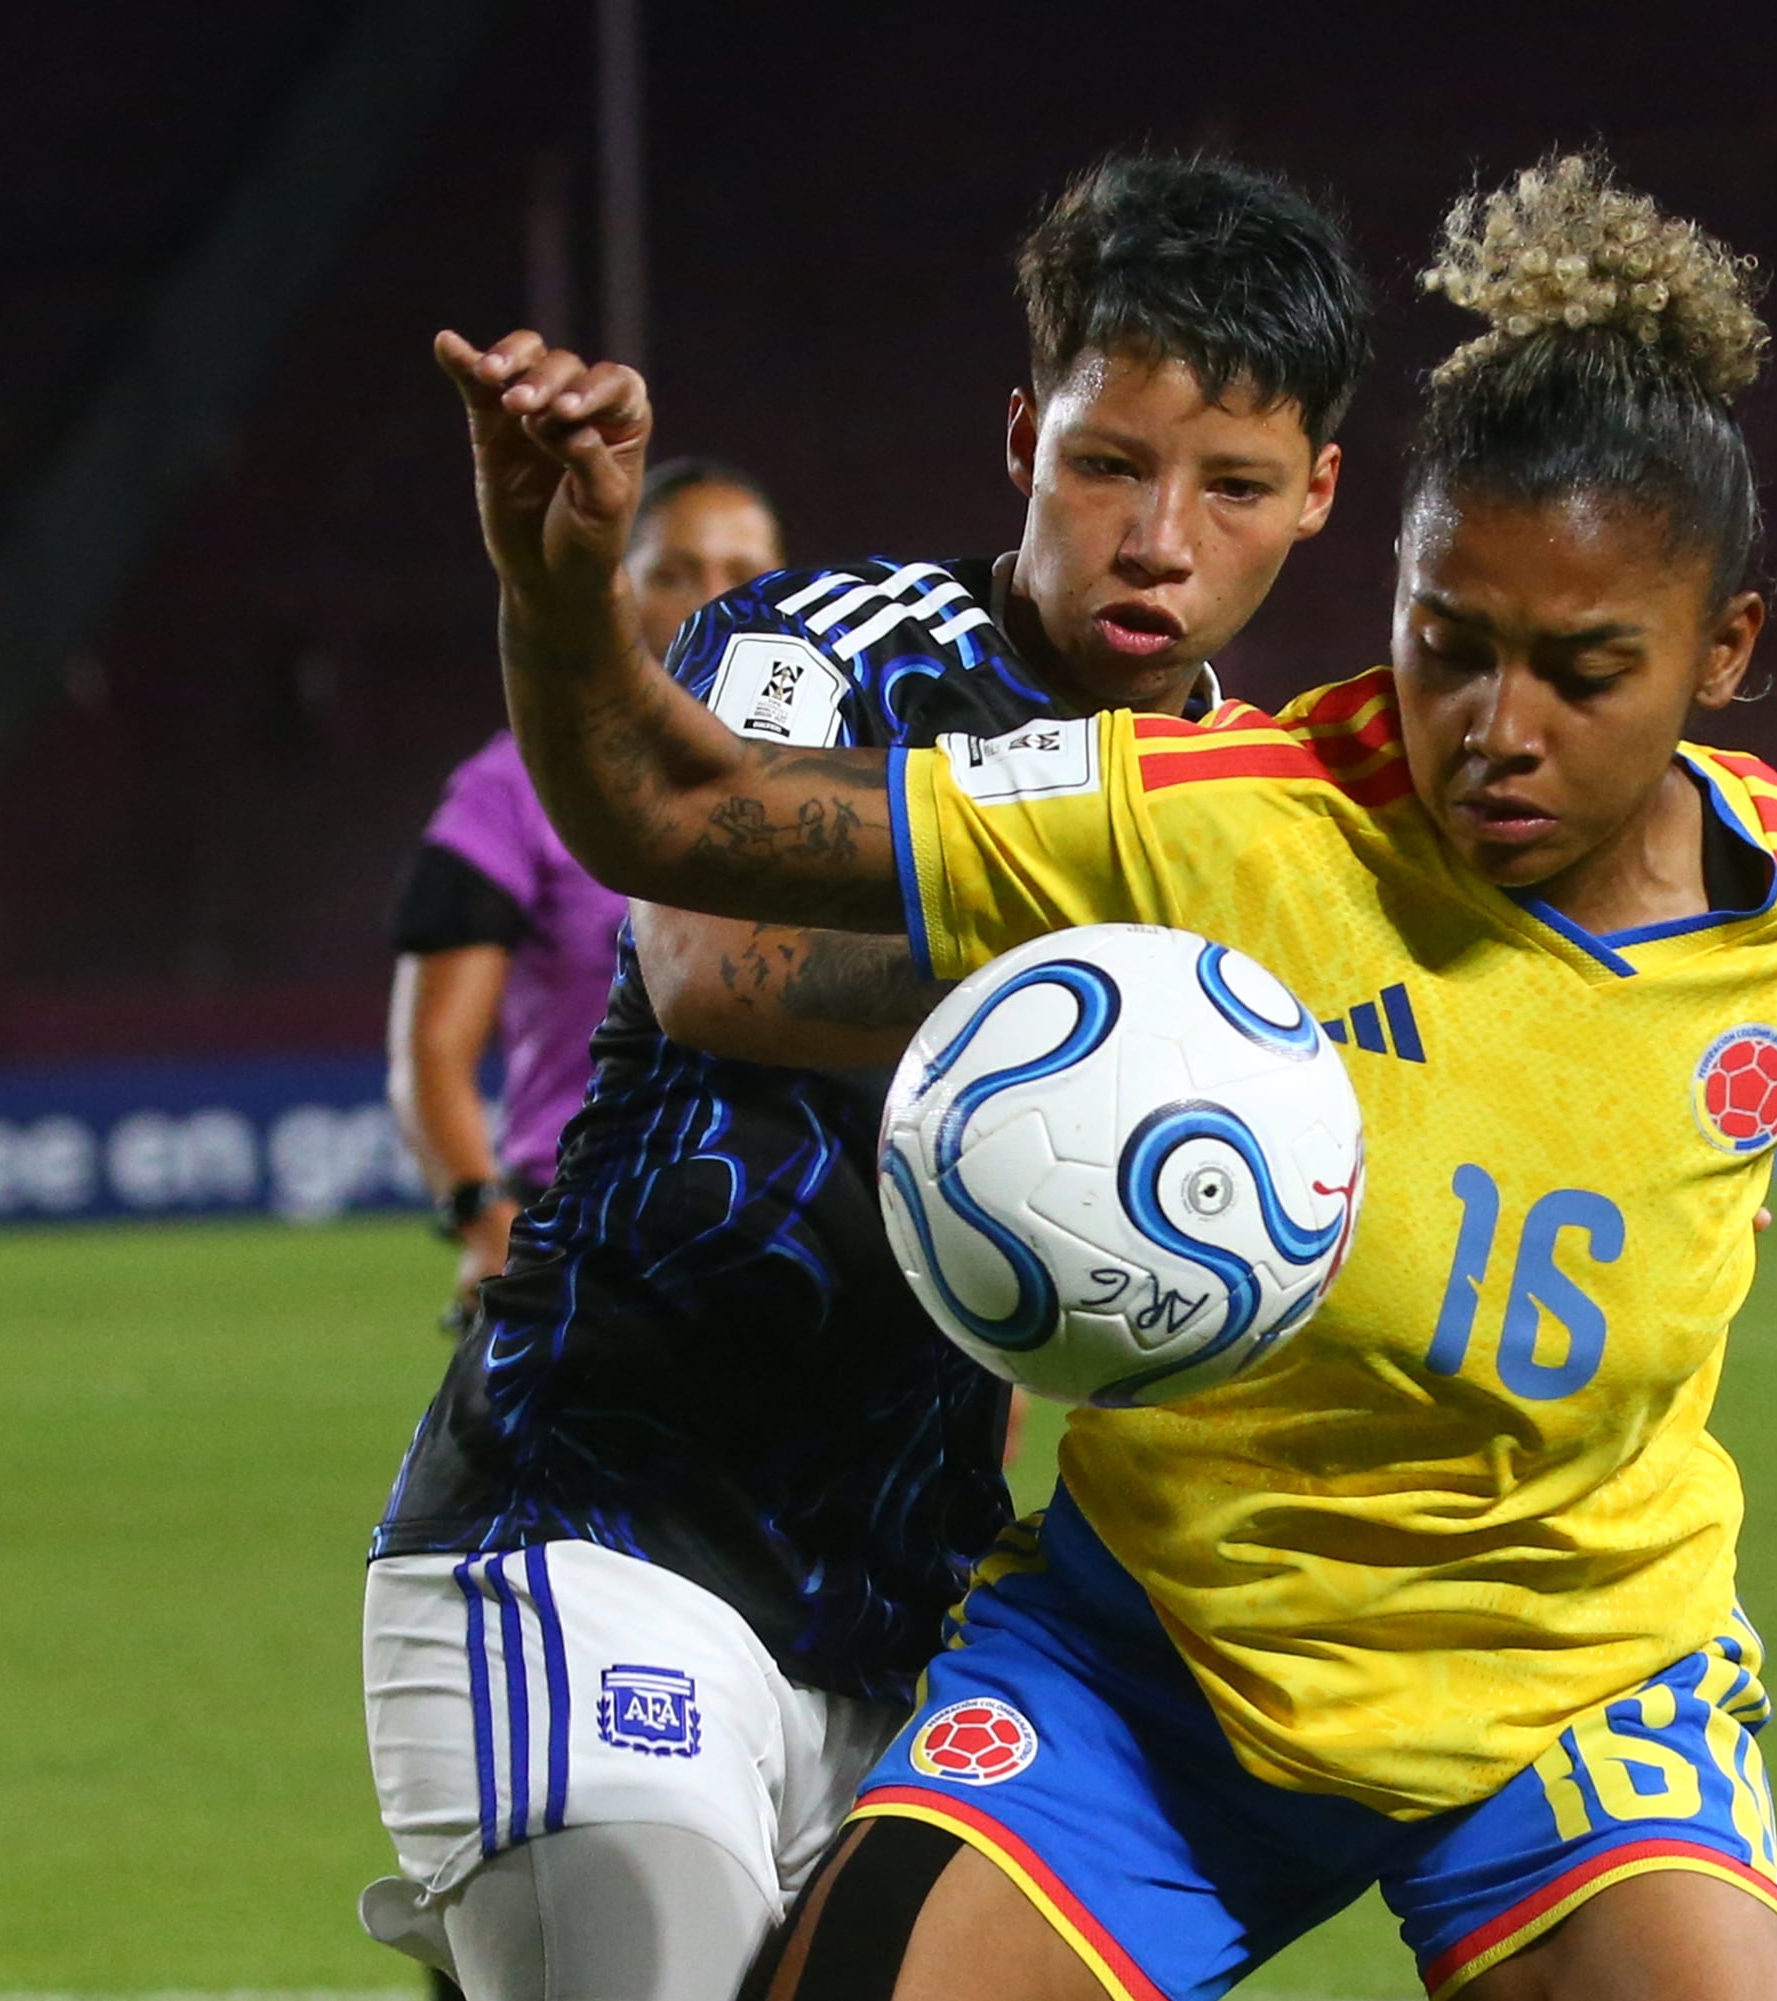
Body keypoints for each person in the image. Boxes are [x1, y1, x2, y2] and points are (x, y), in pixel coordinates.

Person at [444, 152, 1777, 2001]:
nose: (1495, 728)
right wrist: (559, 586)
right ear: (1385, 572)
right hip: (1159, 1678)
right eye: (1448, 643)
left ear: (1727, 651)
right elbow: (675, 815)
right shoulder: (1227, 829)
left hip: (1581, 1689)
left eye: (1584, 670)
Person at [364, 155, 1371, 2000]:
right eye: (1107, 465)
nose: (1159, 539)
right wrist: (1123, 1017)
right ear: (1019, 440)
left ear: (1316, 497)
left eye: (1230, 487)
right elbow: (707, 954)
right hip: (603, 1524)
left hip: (926, 1629)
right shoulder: (819, 653)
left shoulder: (1270, 823)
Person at [387, 459, 784, 1330]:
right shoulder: (516, 785)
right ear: (619, 591)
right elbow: (432, 1051)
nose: (714, 600)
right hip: (584, 1241)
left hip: (796, 1232)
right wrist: (483, 1219)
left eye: (747, 577)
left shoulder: (849, 779)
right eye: (675, 572)